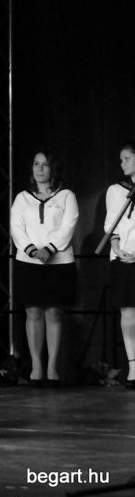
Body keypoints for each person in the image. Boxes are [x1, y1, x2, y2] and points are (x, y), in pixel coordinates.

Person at [10, 150, 79, 387]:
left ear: (53, 168)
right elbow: (16, 227)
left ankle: (52, 368)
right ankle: (36, 366)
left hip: (59, 263)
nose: (39, 169)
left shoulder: (66, 196)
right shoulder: (22, 198)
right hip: (29, 263)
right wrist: (32, 250)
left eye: (45, 165)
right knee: (33, 313)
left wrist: (49, 249)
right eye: (36, 164)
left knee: (54, 313)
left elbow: (68, 225)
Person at [105, 140, 135, 389]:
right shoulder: (116, 190)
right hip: (123, 256)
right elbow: (111, 223)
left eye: (127, 158)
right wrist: (116, 247)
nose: (122, 163)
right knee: (127, 310)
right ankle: (133, 366)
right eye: (121, 159)